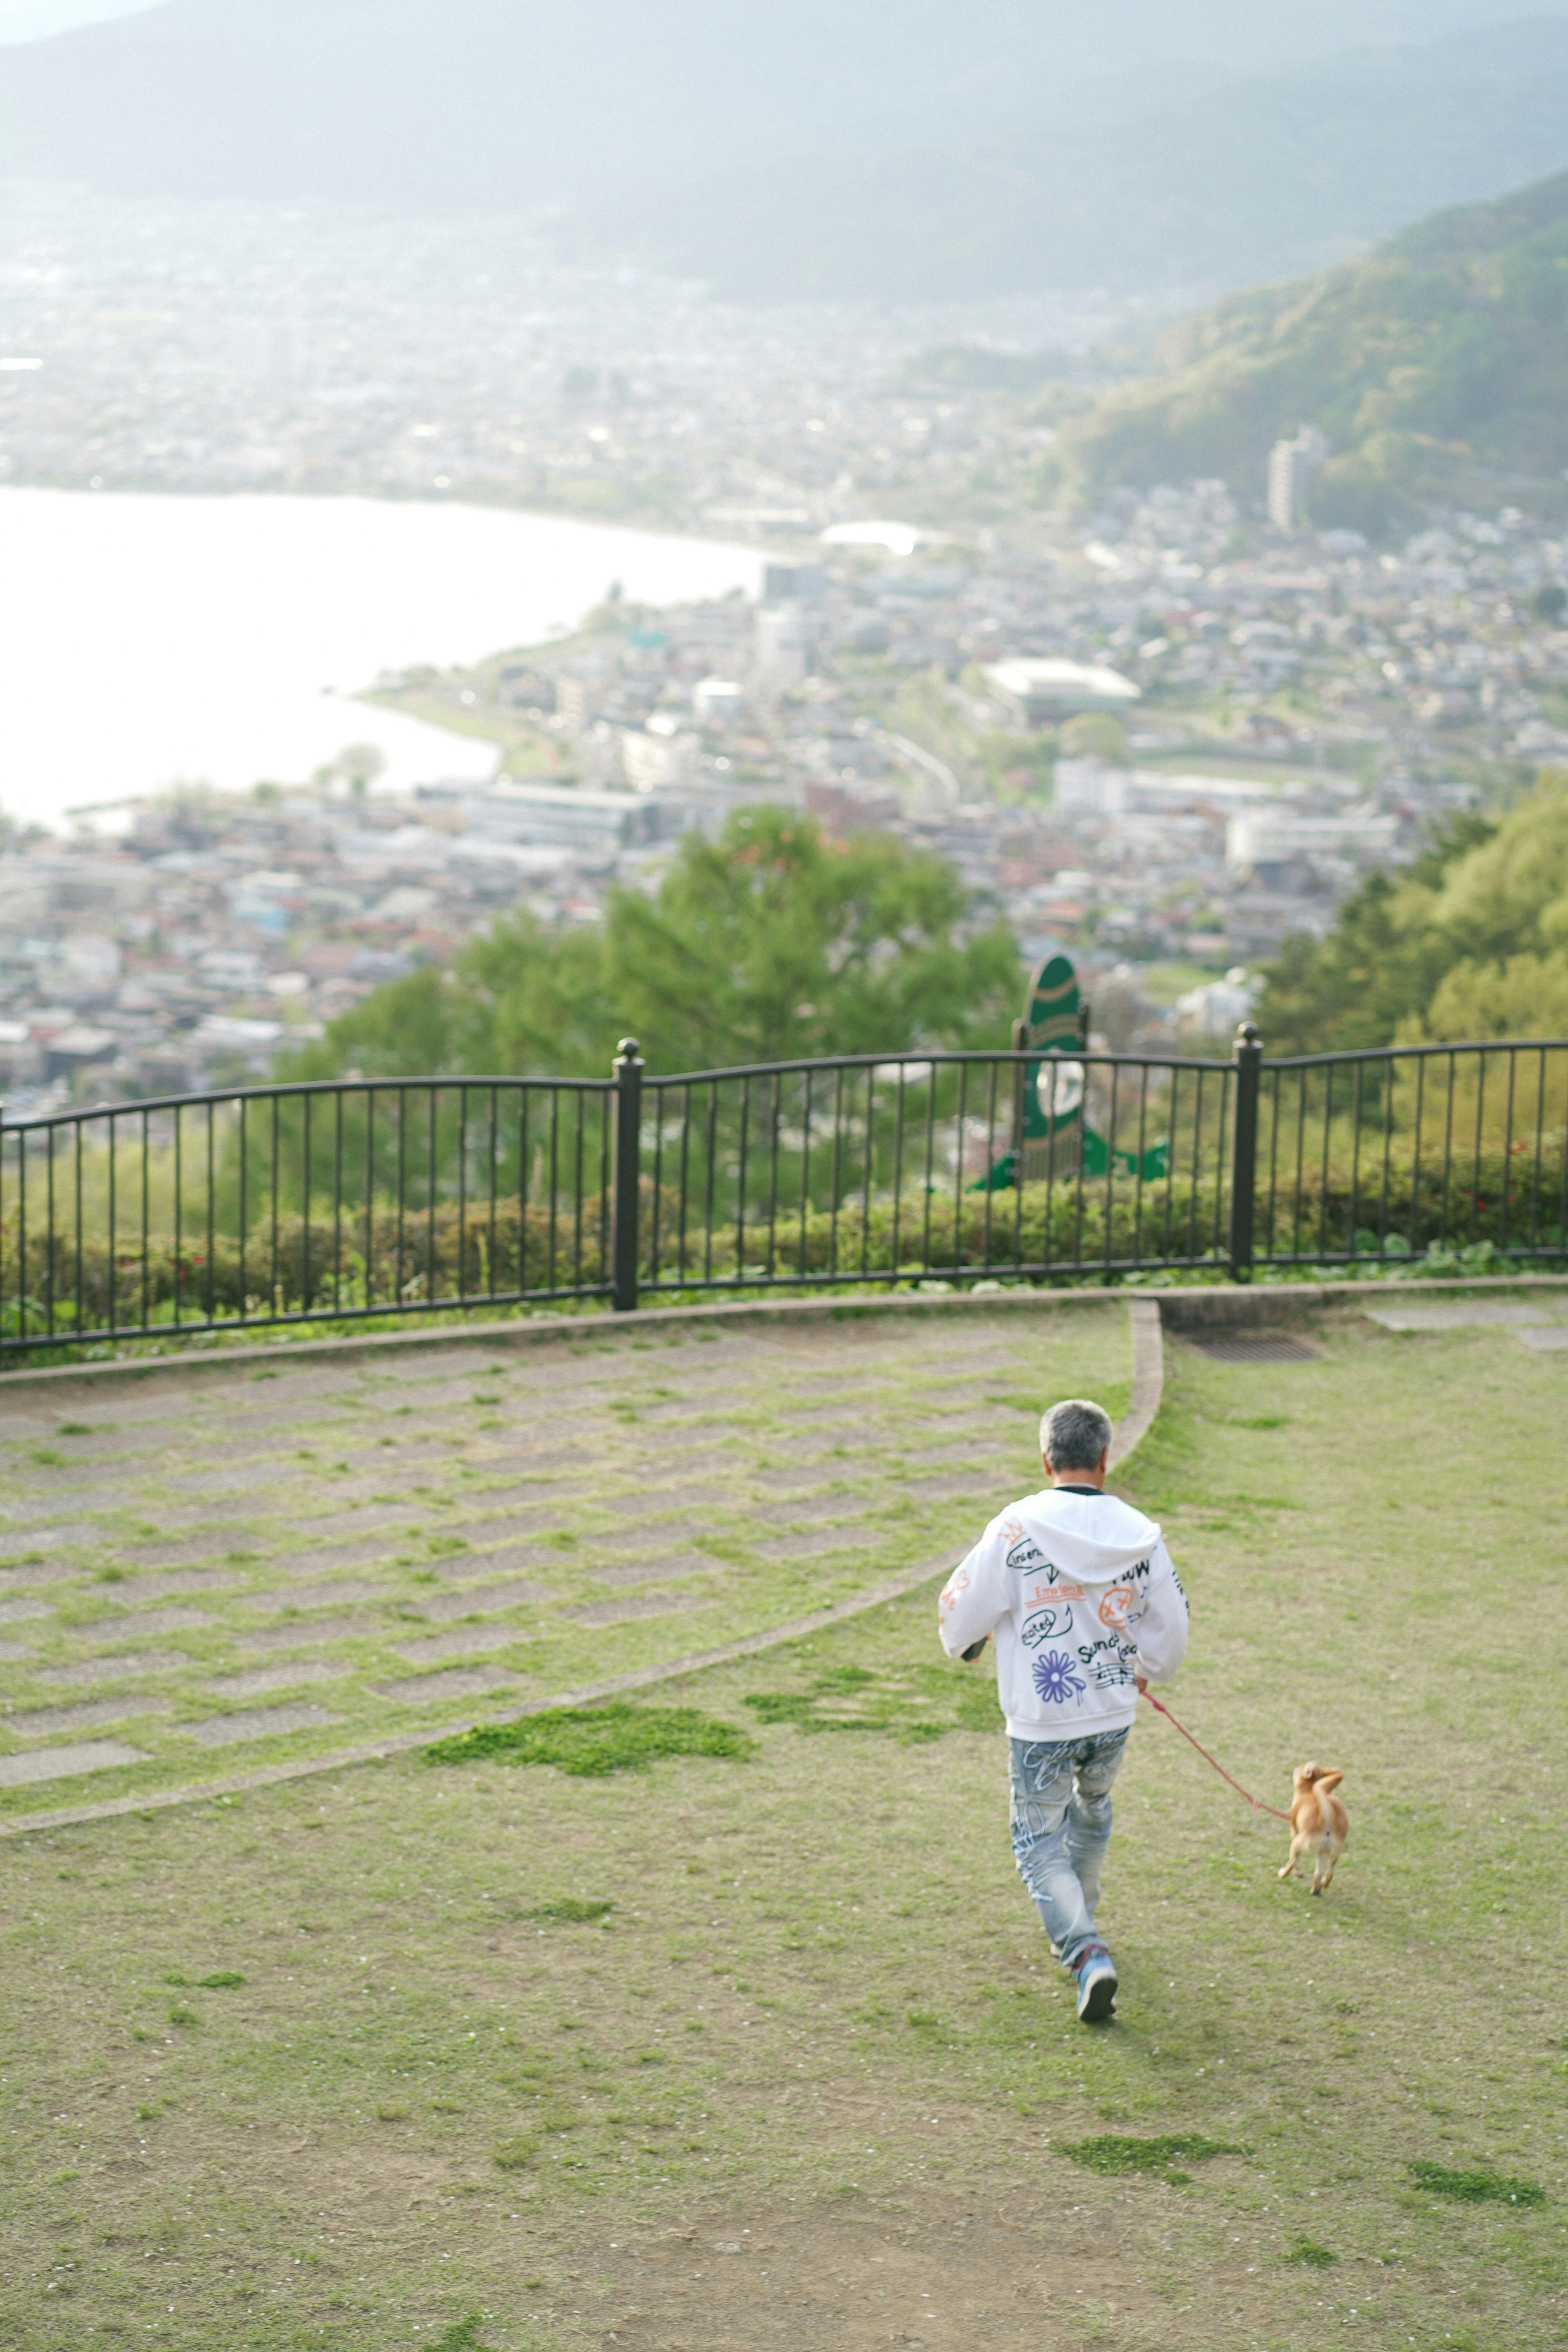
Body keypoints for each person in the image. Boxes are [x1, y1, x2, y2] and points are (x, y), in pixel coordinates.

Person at [937, 1396, 1188, 2024]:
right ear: (1105, 1458)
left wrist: (966, 1642)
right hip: (1111, 1713)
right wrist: (1145, 1670)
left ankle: (1083, 1949)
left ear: (1046, 1458)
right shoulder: (1143, 1535)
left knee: (1037, 1839)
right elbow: (1172, 1630)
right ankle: (1085, 1912)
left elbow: (960, 1609)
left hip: (1041, 1722)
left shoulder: (1016, 1528)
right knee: (1094, 1806)